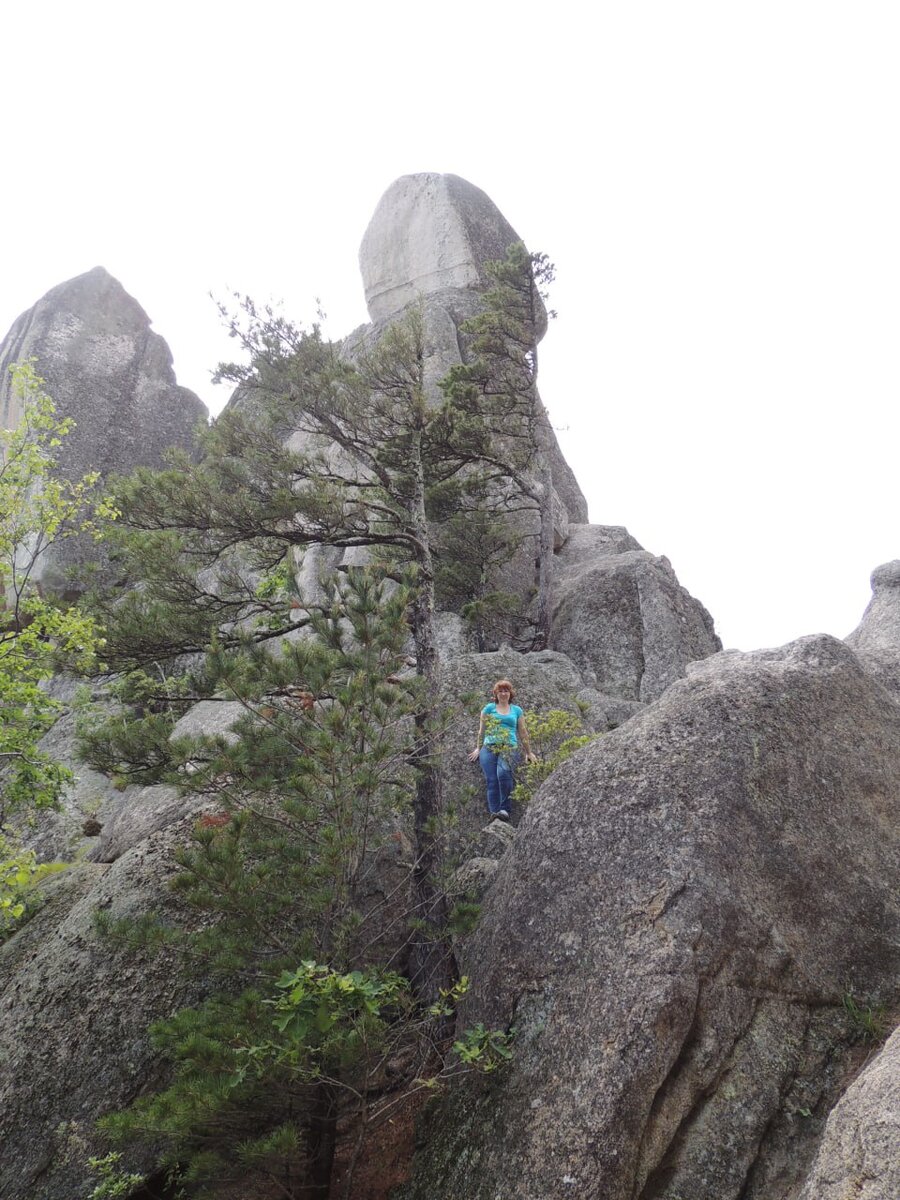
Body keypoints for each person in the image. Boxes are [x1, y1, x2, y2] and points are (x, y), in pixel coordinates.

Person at [468, 679, 536, 820]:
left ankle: (504, 809)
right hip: (489, 747)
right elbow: (482, 731)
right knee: (492, 779)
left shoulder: (516, 710)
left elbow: (522, 731)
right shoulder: (488, 709)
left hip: (509, 746)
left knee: (503, 773)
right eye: (501, 691)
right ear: (496, 693)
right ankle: (494, 813)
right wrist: (478, 748)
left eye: (506, 691)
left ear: (510, 693)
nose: (504, 693)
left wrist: (529, 752)